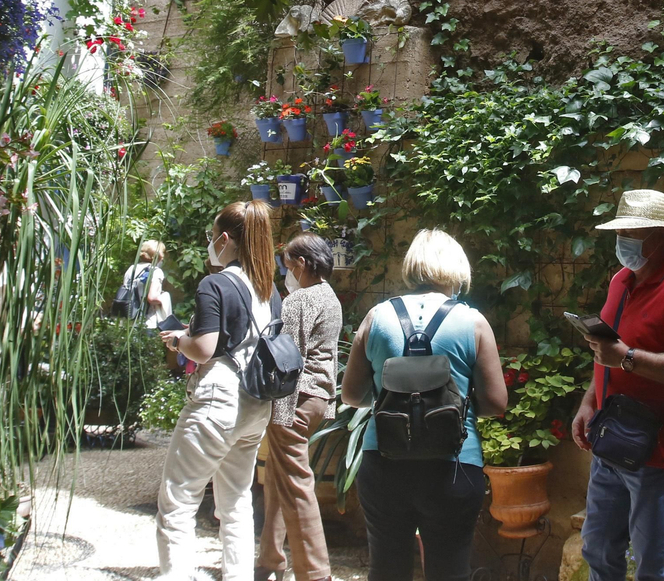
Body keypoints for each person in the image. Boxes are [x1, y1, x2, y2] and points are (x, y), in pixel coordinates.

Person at [342, 229, 509, 581]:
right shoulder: (472, 321)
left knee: (386, 570)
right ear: (457, 269)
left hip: (383, 462)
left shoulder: (376, 317)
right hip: (453, 466)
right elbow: (496, 402)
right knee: (450, 570)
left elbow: (352, 396)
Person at [571, 189, 664, 581]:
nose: (623, 241)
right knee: (598, 551)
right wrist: (589, 401)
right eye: (621, 231)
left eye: (632, 232)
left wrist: (629, 358)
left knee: (652, 565)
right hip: (610, 438)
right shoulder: (622, 279)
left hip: (658, 449)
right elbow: (609, 349)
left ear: (661, 236)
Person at [156, 200, 278, 581]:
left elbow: (205, 348)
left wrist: (178, 341)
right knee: (237, 498)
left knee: (179, 498)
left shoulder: (216, 283)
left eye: (212, 238)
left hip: (217, 399)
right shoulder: (269, 290)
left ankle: (176, 574)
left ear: (225, 240)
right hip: (255, 405)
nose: (211, 245)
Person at [258, 234, 344, 581]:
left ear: (303, 264)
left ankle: (315, 572)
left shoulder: (298, 301)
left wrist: (277, 410)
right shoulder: (331, 298)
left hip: (294, 400)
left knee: (294, 482)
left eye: (288, 263)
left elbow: (286, 360)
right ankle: (269, 562)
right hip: (317, 399)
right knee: (278, 479)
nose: (285, 270)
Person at [122, 239, 172, 329]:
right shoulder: (156, 271)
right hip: (147, 323)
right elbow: (152, 298)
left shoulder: (131, 269)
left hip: (128, 322)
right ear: (158, 256)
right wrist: (164, 298)